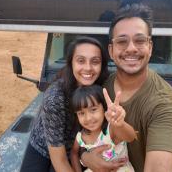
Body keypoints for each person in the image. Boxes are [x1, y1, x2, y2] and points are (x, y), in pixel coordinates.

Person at [80, 4, 172, 172]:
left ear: (150, 47)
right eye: (122, 41)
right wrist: (85, 157)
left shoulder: (165, 105)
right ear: (111, 51)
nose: (131, 48)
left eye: (140, 40)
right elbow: (84, 132)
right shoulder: (100, 85)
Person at [20, 36, 109, 172]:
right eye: (81, 61)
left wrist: (83, 154)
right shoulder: (55, 98)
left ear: (102, 65)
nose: (88, 68)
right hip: (45, 146)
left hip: (81, 146)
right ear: (71, 63)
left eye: (95, 62)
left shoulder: (104, 87)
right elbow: (59, 160)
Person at [70, 85, 136, 172]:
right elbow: (74, 153)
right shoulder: (80, 137)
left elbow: (131, 137)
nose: (88, 118)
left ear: (104, 108)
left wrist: (120, 124)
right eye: (81, 113)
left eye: (93, 109)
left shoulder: (111, 129)